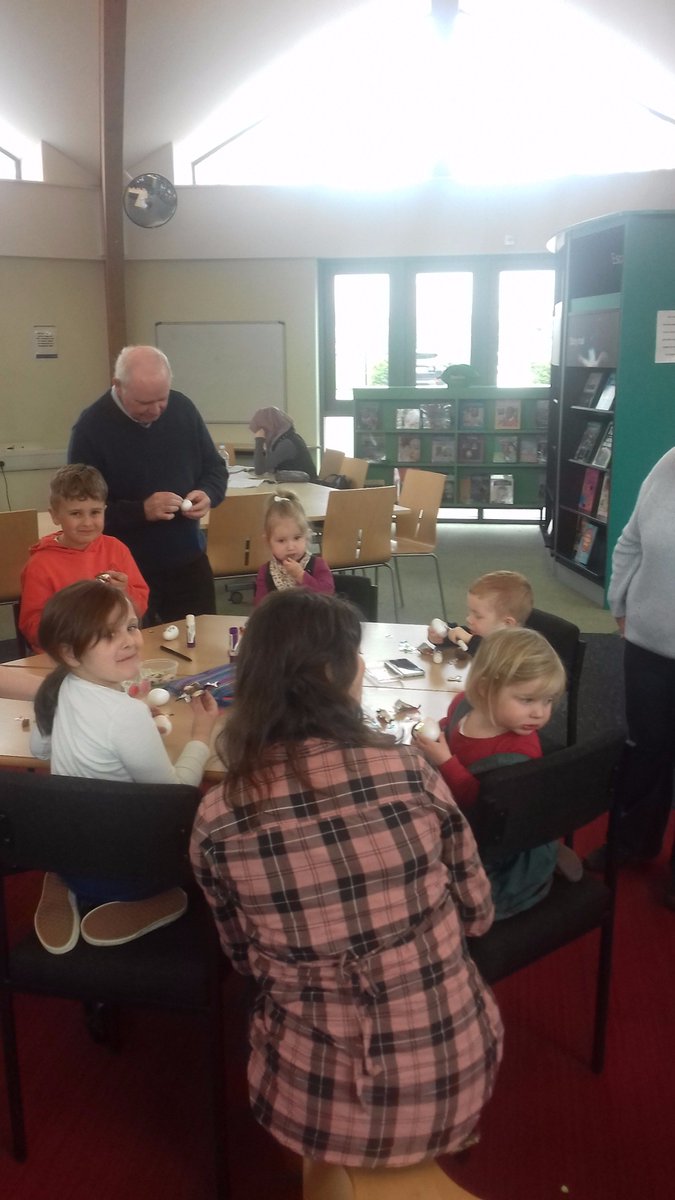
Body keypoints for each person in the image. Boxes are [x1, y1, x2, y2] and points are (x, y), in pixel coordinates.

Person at [191, 590, 503, 1168]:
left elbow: (243, 957)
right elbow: (478, 911)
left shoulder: (218, 818)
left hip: (307, 1104)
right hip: (459, 1068)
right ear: (349, 674)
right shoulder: (410, 772)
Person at [29, 578, 218, 954]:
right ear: (69, 652)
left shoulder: (59, 687)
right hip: (129, 871)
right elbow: (174, 796)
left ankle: (63, 881)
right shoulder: (125, 715)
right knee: (204, 843)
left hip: (66, 852)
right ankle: (158, 900)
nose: (130, 640)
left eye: (131, 626)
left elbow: (38, 749)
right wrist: (201, 732)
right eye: (108, 635)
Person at [414, 627, 571, 919]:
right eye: (527, 700)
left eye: (547, 701)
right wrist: (438, 733)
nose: (540, 713)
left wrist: (445, 762)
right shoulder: (463, 703)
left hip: (497, 842)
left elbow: (483, 805)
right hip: (462, 814)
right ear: (485, 689)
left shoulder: (519, 755)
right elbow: (450, 723)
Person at [68, 345, 228, 623]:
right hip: (126, 568)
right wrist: (141, 510)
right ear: (118, 386)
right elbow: (80, 510)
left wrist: (208, 493)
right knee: (136, 653)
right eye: (144, 403)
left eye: (162, 399)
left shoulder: (183, 409)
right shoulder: (91, 428)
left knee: (201, 643)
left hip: (188, 560)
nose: (156, 410)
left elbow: (215, 469)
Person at [585, 448, 675, 909]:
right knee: (646, 747)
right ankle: (632, 840)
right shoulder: (667, 464)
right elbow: (630, 542)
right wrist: (619, 604)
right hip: (649, 643)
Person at [19, 463, 149, 652]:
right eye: (76, 513)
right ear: (55, 515)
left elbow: (140, 608)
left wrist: (124, 592)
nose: (87, 522)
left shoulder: (116, 549)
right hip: (65, 657)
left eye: (95, 512)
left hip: (114, 651)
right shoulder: (40, 565)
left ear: (105, 510)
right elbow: (33, 628)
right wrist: (76, 626)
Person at [427, 569, 533, 657]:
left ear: (507, 623)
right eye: (470, 612)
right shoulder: (483, 633)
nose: (469, 619)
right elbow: (464, 635)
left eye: (478, 616)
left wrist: (469, 640)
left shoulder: (521, 651)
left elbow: (492, 655)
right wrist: (443, 635)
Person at [254, 489, 334, 604]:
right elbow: (260, 606)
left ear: (306, 536)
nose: (290, 547)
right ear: (268, 542)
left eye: (297, 538)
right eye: (281, 541)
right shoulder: (266, 571)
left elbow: (327, 595)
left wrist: (301, 575)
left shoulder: (318, 565)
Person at [249, 406, 318, 480]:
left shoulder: (286, 443)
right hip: (295, 484)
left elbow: (259, 470)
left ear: (269, 427)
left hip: (307, 487)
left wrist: (259, 440)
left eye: (262, 429)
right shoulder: (286, 437)